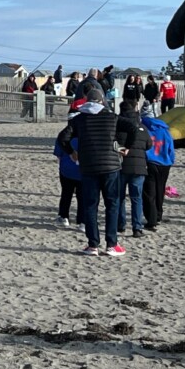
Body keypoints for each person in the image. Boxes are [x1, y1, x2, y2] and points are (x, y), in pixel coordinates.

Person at [57, 87, 136, 257]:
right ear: (102, 101)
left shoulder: (79, 119)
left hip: (88, 168)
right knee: (112, 204)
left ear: (87, 101)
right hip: (111, 166)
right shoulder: (111, 117)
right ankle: (112, 244)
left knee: (90, 206)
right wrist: (126, 147)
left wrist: (71, 152)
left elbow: (62, 138)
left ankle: (93, 245)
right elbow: (133, 127)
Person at [117, 101, 148, 238]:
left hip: (121, 166)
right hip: (138, 166)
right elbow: (149, 144)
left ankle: (120, 225)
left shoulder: (117, 127)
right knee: (136, 198)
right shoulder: (141, 127)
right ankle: (137, 228)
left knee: (120, 197)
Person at [54, 99, 85, 230]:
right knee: (82, 196)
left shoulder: (63, 135)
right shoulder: (85, 135)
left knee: (66, 194)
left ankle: (64, 216)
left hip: (66, 169)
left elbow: (59, 155)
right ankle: (82, 221)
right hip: (83, 171)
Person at [141, 114, 175, 229]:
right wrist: (170, 160)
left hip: (150, 162)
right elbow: (171, 148)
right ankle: (158, 214)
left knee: (149, 192)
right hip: (165, 164)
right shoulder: (165, 131)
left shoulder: (144, 129)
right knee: (160, 189)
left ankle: (151, 219)